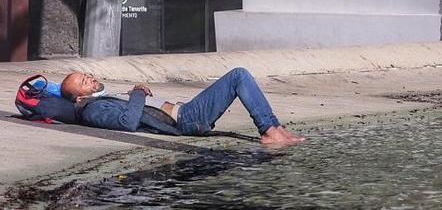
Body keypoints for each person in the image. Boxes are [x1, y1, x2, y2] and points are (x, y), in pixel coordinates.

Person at [60, 67, 304, 145]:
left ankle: (275, 127)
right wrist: (136, 93)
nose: (90, 79)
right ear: (78, 98)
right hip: (184, 119)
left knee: (239, 76)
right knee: (238, 76)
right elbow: (128, 123)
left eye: (87, 75)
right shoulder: (91, 109)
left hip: (184, 110)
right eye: (83, 82)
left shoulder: (101, 98)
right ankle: (269, 131)